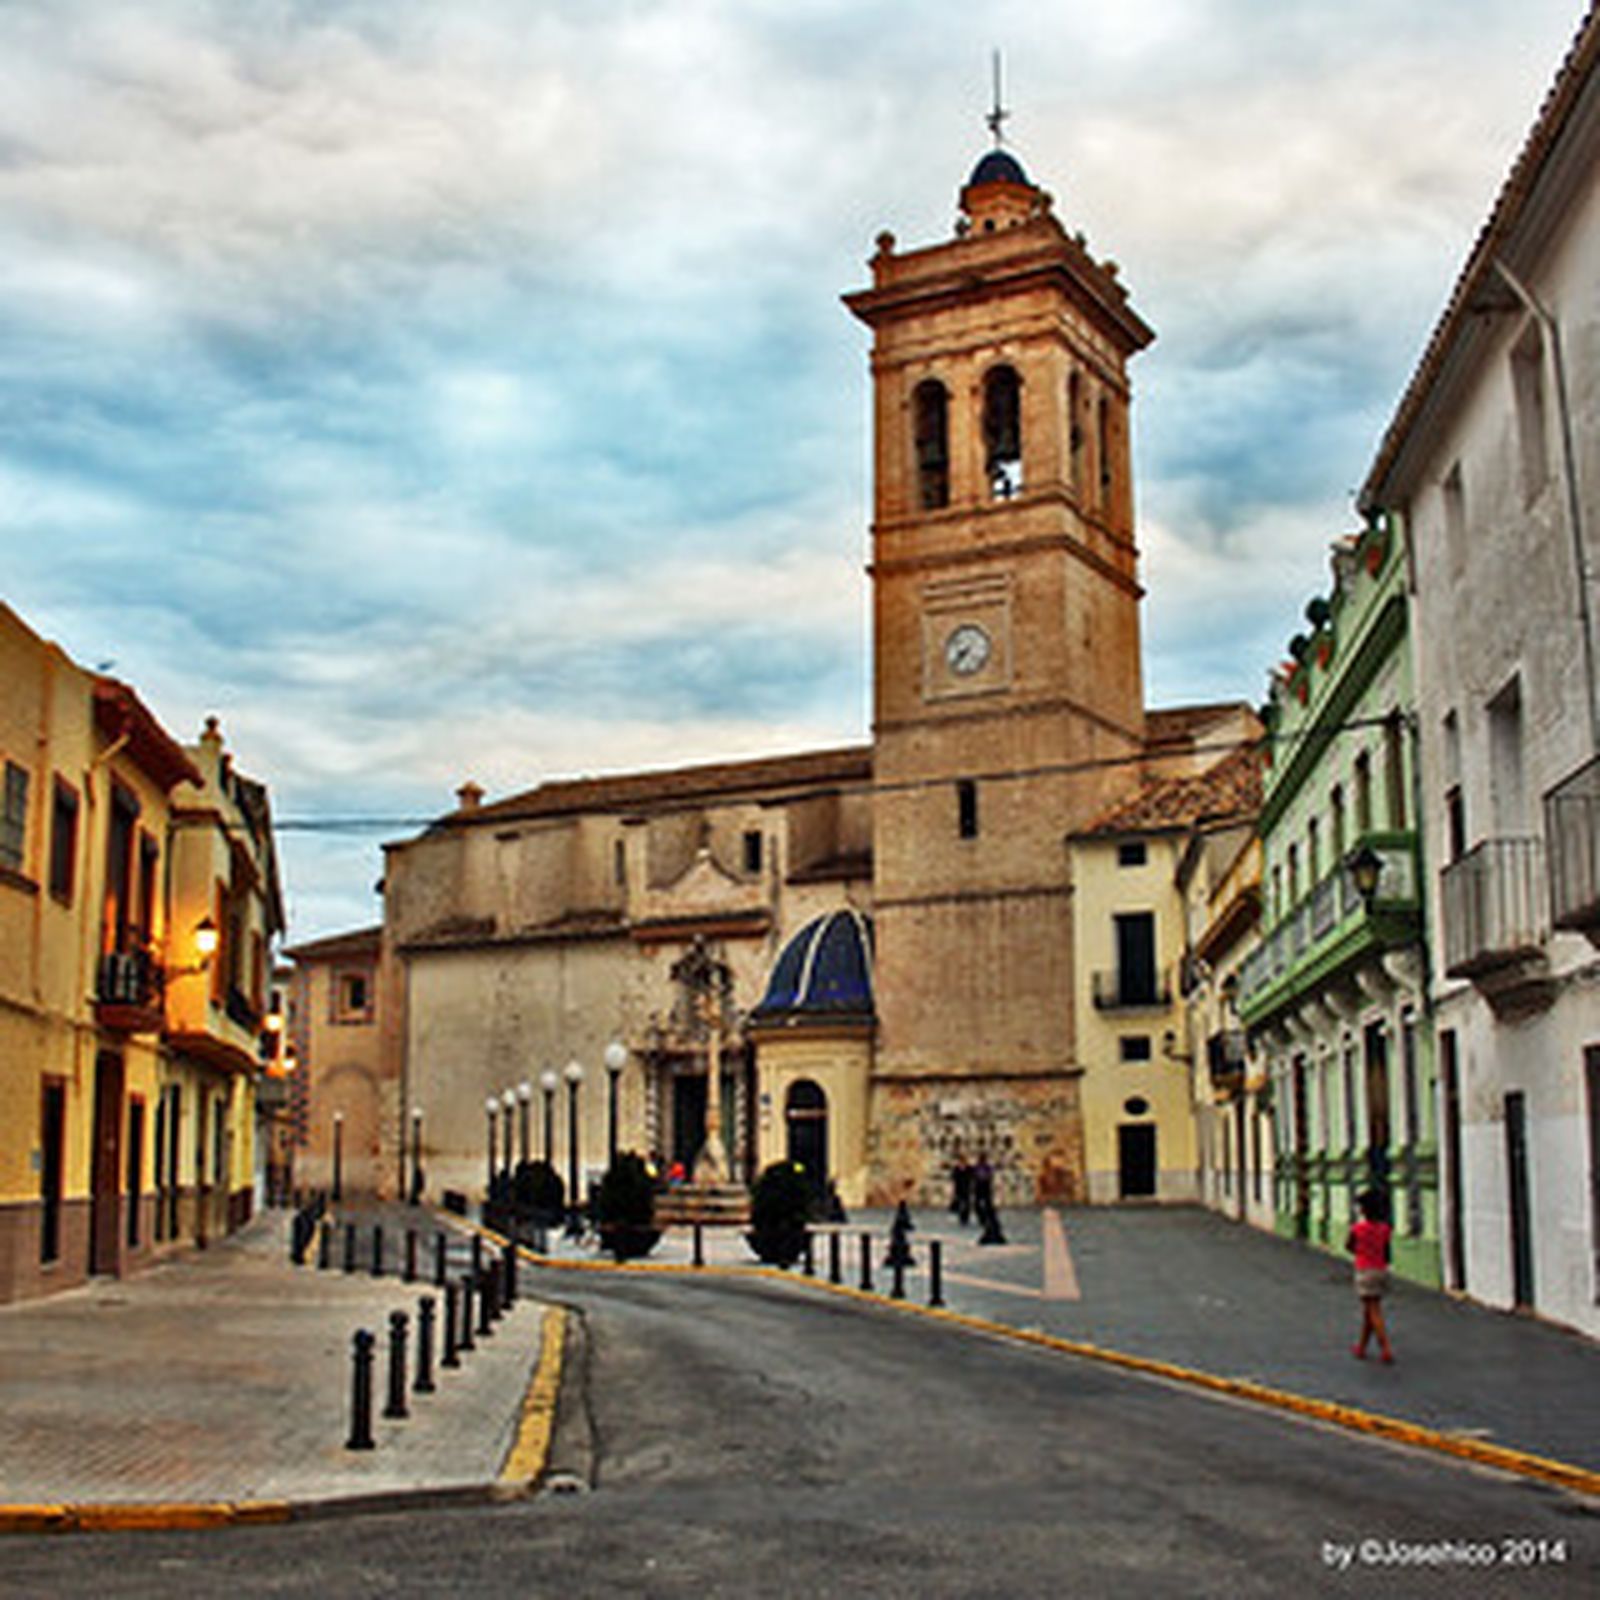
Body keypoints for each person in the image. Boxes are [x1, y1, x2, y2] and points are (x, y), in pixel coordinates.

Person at [1346, 1189, 1395, 1363]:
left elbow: (1349, 1246)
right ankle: (1361, 1347)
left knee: (1373, 1310)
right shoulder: (1385, 1229)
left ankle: (1386, 1348)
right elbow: (1387, 1253)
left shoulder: (1358, 1229)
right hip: (1381, 1270)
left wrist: (1361, 1250)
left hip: (1364, 1270)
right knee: (1369, 1311)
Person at [950, 1153, 973, 1226]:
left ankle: (965, 1218)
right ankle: (962, 1218)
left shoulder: (969, 1168)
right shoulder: (956, 1168)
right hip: (959, 1188)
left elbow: (972, 1177)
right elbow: (953, 1178)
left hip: (967, 1188)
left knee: (967, 1204)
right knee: (960, 1203)